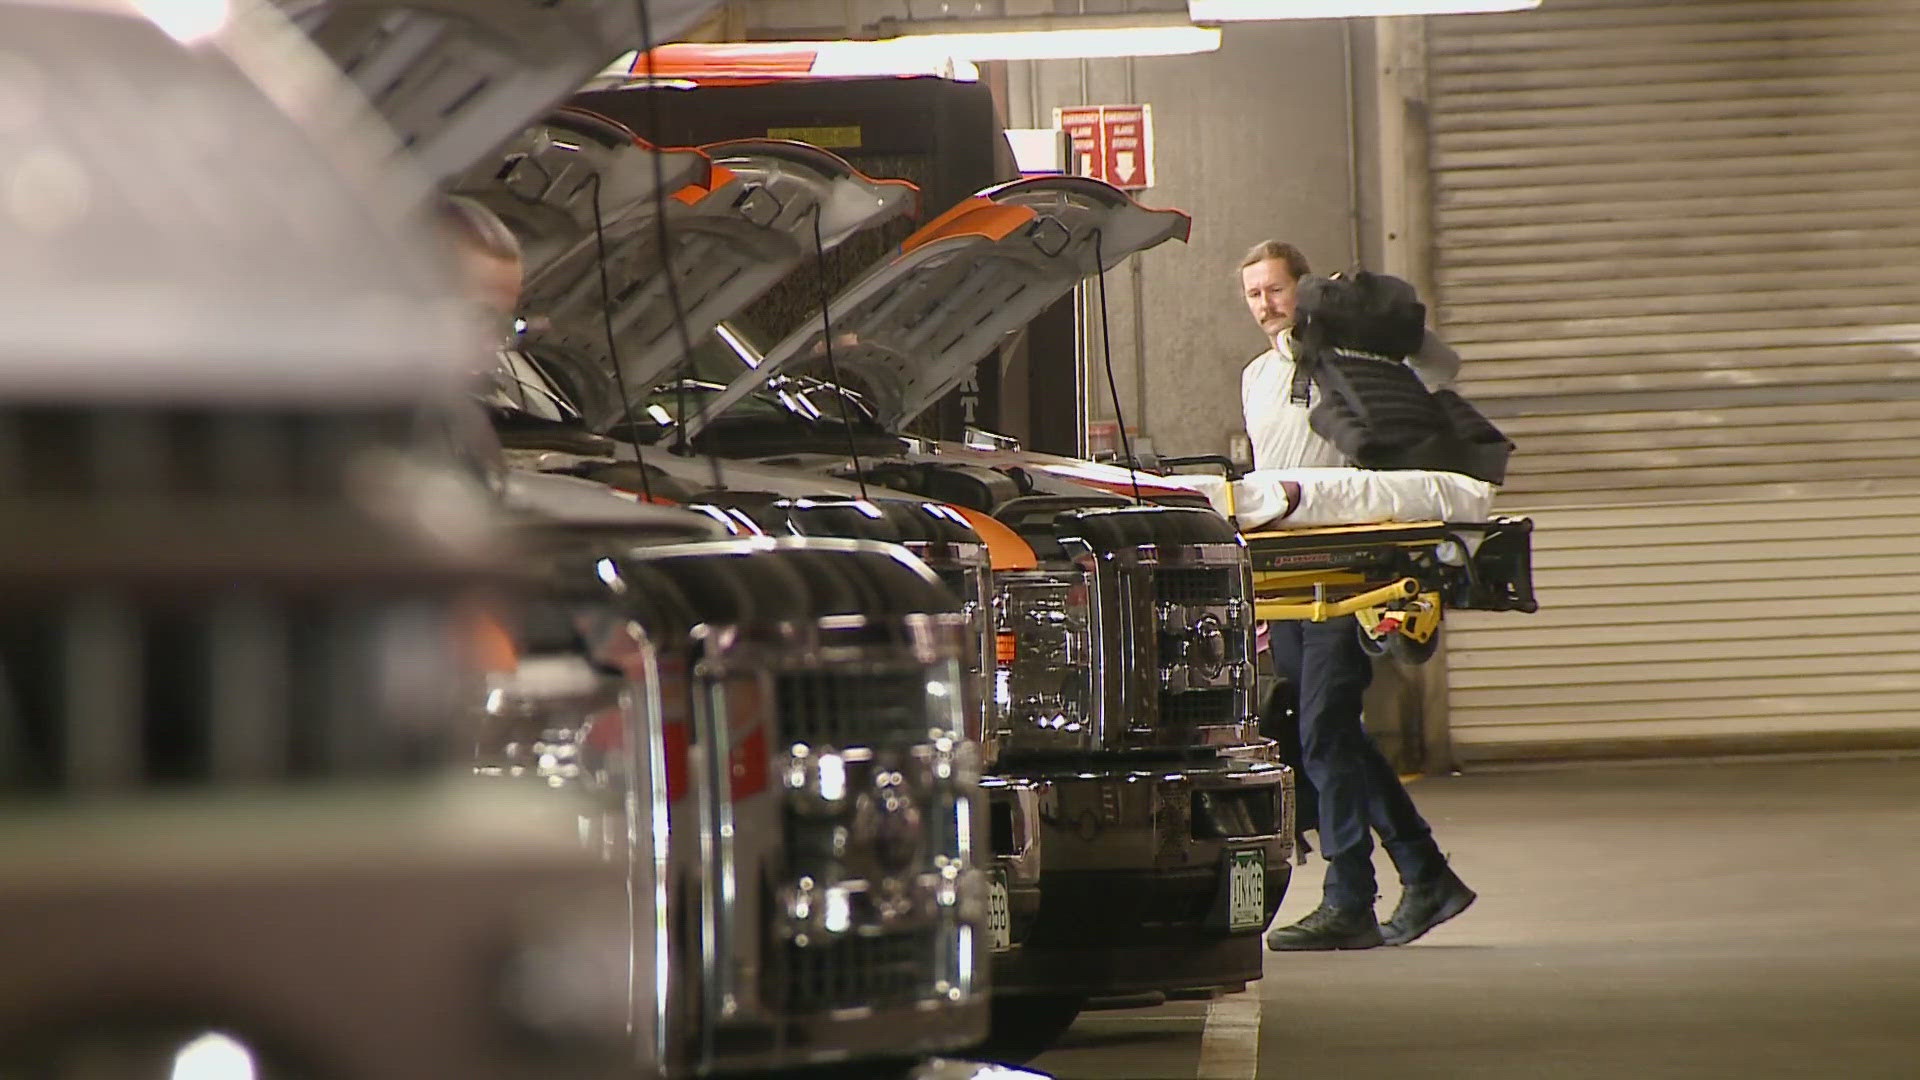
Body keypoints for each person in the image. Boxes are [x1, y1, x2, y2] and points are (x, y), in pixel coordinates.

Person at [1238, 239, 1476, 950]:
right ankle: (1424, 870)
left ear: (1304, 290)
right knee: (1332, 731)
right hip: (1287, 571)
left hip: (1352, 569)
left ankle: (1351, 896)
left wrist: (1358, 317)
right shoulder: (1255, 376)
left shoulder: (1354, 361)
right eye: (1253, 294)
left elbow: (1442, 366)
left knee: (1323, 729)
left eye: (1276, 289)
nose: (1265, 304)